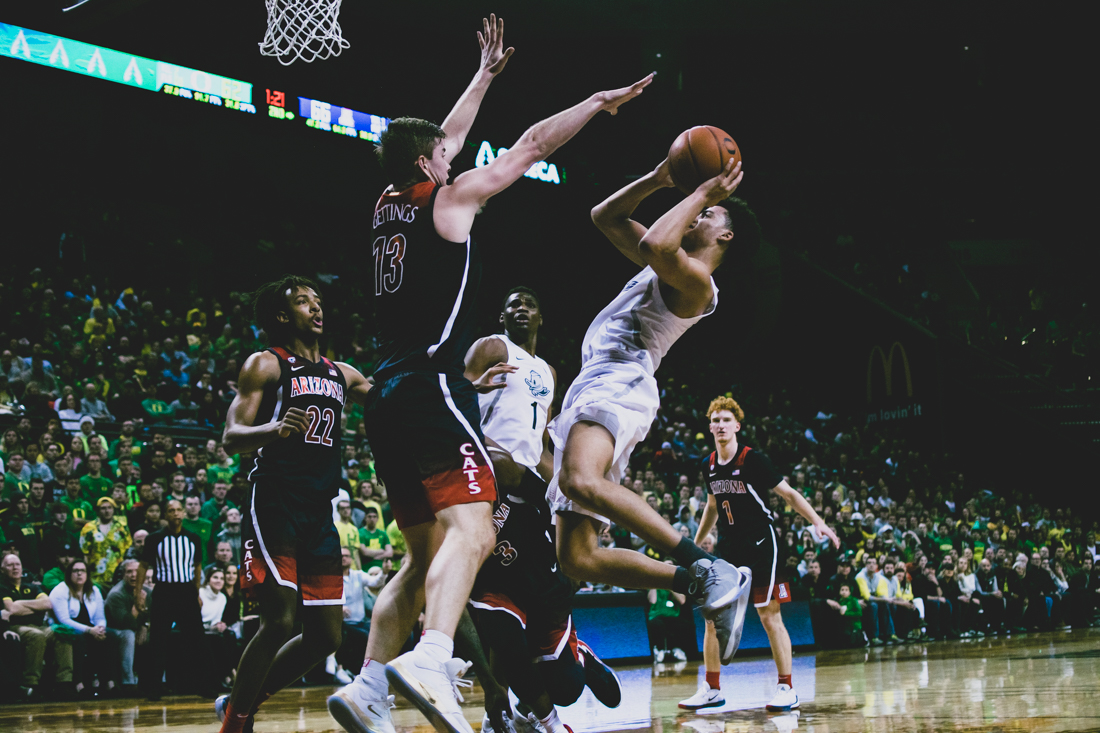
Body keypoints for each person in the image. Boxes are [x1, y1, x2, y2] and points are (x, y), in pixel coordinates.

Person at [328, 15, 653, 733]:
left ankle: (367, 685)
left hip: (384, 397)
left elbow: (437, 135)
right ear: (431, 163)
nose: (454, 153)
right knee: (472, 532)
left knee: (423, 558)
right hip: (429, 386)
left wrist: (481, 78)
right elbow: (530, 145)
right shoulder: (450, 199)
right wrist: (597, 104)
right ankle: (432, 658)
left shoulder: (387, 204)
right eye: (444, 153)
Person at [545, 144, 755, 684]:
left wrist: (704, 190)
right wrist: (661, 176)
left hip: (620, 380)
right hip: (595, 383)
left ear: (724, 236)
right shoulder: (665, 263)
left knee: (578, 478)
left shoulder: (696, 282)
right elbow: (605, 216)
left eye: (708, 215)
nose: (697, 211)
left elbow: (658, 240)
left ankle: (706, 566)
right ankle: (697, 583)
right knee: (578, 558)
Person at [216, 275, 371, 733]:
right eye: (304, 302)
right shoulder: (265, 364)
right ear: (283, 316)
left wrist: (460, 389)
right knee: (280, 620)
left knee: (326, 636)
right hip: (277, 501)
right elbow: (230, 437)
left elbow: (392, 398)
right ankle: (236, 723)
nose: (316, 308)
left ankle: (240, 700)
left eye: (318, 301)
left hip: (319, 509)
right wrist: (273, 429)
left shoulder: (342, 373)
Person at [680, 397, 839, 713]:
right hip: (729, 546)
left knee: (769, 614)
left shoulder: (753, 460)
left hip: (762, 544)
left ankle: (786, 687)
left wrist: (819, 522)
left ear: (737, 425)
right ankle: (712, 688)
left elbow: (789, 494)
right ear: (710, 427)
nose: (720, 425)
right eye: (715, 420)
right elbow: (712, 506)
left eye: (726, 420)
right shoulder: (707, 464)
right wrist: (694, 548)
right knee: (713, 615)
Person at [136, 499, 206, 699]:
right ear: (165, 515)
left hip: (186, 591)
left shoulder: (193, 538)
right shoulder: (154, 539)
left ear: (183, 513)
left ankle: (203, 685)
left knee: (197, 638)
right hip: (164, 591)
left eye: (178, 510)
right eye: (171, 510)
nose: (175, 514)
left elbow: (198, 566)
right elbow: (143, 566)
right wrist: (138, 593)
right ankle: (153, 687)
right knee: (158, 639)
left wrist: (197, 591)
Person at [49, 559, 116, 697]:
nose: (79, 574)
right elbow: (64, 620)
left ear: (87, 574)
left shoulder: (94, 590)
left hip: (91, 628)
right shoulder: (60, 591)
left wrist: (100, 629)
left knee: (110, 635)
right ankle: (79, 683)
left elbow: (99, 617)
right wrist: (90, 630)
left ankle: (108, 681)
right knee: (80, 638)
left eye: (82, 571)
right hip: (65, 628)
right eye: (75, 571)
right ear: (69, 574)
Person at [1, 552, 55, 699]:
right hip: (15, 627)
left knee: (60, 633)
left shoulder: (31, 586)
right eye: (10, 565)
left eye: (17, 564)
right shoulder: (2, 587)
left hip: (39, 625)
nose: (15, 568)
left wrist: (20, 604)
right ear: (2, 569)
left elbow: (47, 603)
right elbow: (10, 610)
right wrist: (34, 608)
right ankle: (31, 684)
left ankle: (65, 682)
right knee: (35, 636)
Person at [104, 559, 148, 693]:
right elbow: (125, 623)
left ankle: (159, 681)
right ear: (123, 575)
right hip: (115, 630)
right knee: (129, 635)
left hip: (139, 627)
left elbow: (154, 616)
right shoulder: (116, 594)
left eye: (137, 571)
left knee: (159, 635)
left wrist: (145, 626)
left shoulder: (148, 591)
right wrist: (137, 604)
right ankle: (128, 682)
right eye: (129, 572)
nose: (134, 575)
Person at [79, 497, 132, 591]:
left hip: (118, 575)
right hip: (96, 577)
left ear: (113, 509)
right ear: (98, 510)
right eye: (103, 508)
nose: (107, 511)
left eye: (109, 508)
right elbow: (85, 553)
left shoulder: (122, 527)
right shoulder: (88, 528)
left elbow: (128, 549)